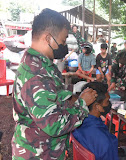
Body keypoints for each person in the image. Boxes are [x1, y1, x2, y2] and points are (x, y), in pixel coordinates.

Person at [11, 8, 97, 160]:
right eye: (63, 41)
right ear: (48, 38)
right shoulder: (35, 74)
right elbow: (54, 125)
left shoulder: (42, 63)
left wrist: (73, 89)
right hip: (37, 154)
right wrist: (82, 104)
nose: (64, 46)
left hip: (47, 149)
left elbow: (51, 91)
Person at [73, 82, 126, 160]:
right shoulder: (106, 142)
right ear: (97, 106)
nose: (109, 103)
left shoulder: (75, 121)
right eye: (107, 101)